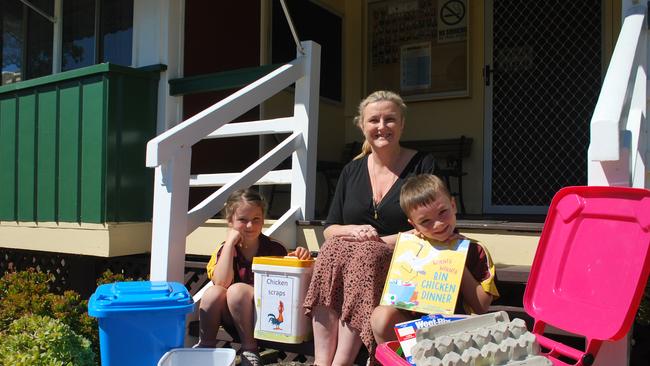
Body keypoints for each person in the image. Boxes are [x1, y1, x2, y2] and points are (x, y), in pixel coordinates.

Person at [304, 90, 436, 365]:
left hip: (403, 259)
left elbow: (429, 226)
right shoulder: (351, 171)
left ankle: (342, 362)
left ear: (402, 124)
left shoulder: (422, 165)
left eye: (390, 119)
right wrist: (351, 231)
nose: (382, 126)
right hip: (355, 257)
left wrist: (376, 241)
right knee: (330, 250)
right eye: (374, 120)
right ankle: (321, 361)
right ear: (362, 126)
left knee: (366, 255)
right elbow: (329, 228)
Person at [370, 174, 500, 345]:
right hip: (413, 329)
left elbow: (481, 307)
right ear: (413, 225)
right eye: (425, 221)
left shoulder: (475, 250)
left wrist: (455, 261)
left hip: (456, 330)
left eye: (443, 212)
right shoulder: (410, 249)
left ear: (453, 205)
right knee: (380, 316)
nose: (438, 224)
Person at [196, 188, 311, 366]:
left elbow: (287, 286)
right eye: (242, 220)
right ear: (230, 221)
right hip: (231, 317)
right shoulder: (223, 250)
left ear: (263, 220)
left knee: (237, 290)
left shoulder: (275, 249)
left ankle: (250, 349)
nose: (250, 226)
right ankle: (206, 348)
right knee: (213, 293)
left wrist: (300, 257)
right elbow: (221, 282)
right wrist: (229, 245)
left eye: (256, 219)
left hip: (263, 317)